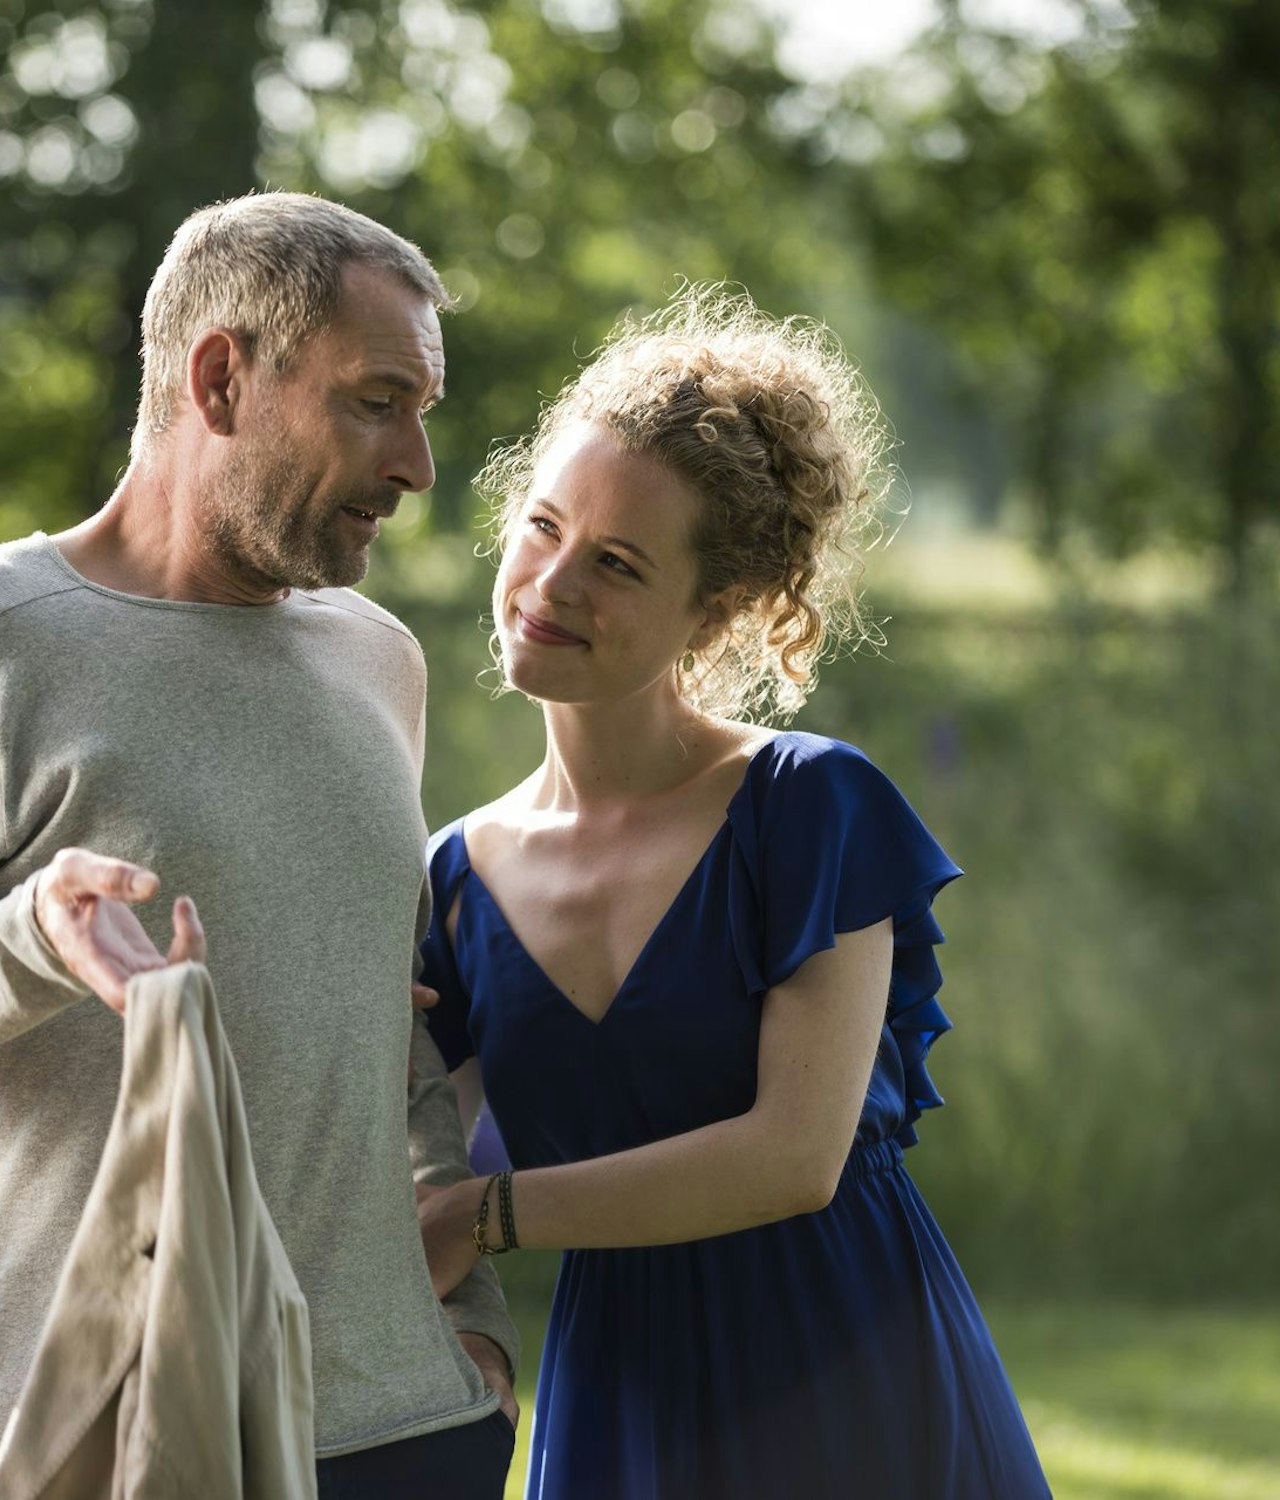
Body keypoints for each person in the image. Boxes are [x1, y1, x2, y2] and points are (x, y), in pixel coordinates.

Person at [0, 191, 519, 1499]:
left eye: (423, 412)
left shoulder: (378, 661)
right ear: (219, 379)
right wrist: (31, 941)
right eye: (375, 402)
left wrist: (472, 1335)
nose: (416, 465)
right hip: (110, 1443)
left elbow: (393, 1020)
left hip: (413, 1427)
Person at [416, 286, 1051, 1498]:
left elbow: (792, 1157)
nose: (550, 584)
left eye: (615, 564)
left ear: (713, 611)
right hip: (623, 1395)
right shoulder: (451, 880)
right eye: (542, 526)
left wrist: (479, 1215)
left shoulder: (804, 805)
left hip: (848, 1361)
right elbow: (384, 1139)